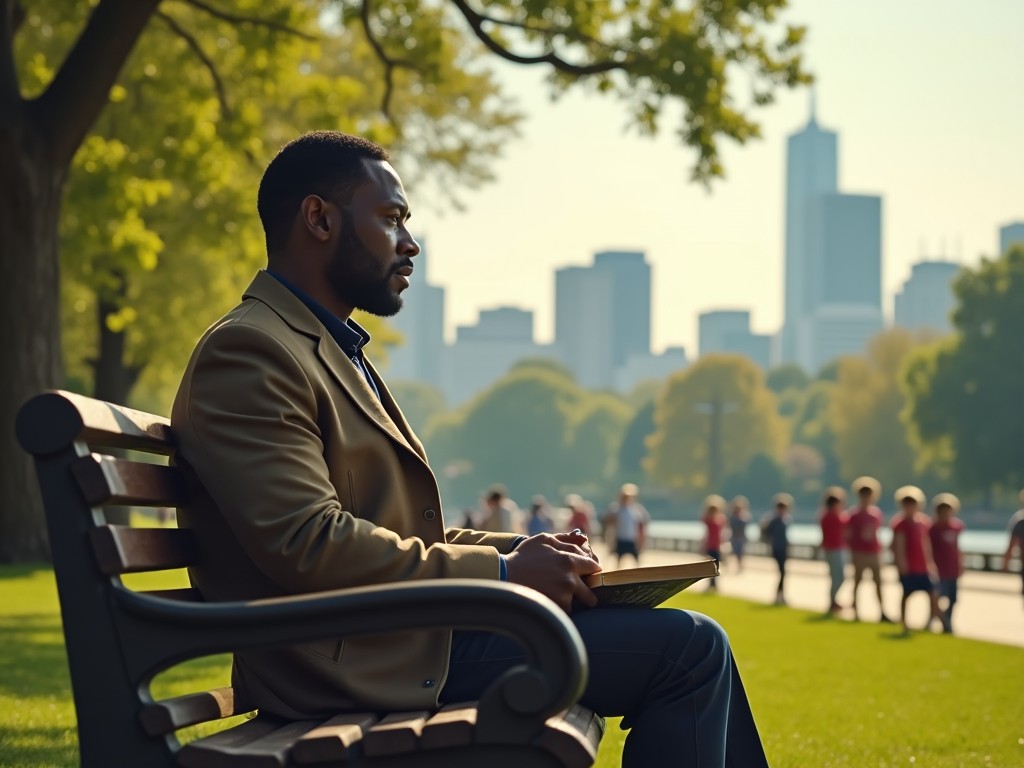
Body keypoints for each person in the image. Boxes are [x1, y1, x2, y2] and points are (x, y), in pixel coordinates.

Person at [170, 131, 769, 766]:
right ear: (318, 218)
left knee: (697, 645)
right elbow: (309, 541)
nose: (411, 242)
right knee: (690, 649)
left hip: (395, 640)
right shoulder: (251, 351)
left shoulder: (317, 345)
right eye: (391, 218)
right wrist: (509, 576)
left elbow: (392, 532)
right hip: (351, 665)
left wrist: (524, 552)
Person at [889, 486, 942, 635]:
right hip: (908, 567)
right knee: (907, 595)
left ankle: (930, 621)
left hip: (923, 566)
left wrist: (930, 563)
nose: (910, 507)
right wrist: (901, 563)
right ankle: (904, 623)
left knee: (933, 594)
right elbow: (897, 546)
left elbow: (926, 544)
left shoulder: (923, 522)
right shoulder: (899, 524)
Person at [845, 476, 893, 623]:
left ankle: (882, 612)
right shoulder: (853, 515)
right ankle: (855, 611)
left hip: (874, 552)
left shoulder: (876, 514)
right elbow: (848, 535)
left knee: (878, 583)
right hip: (859, 553)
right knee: (857, 582)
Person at [928, 492, 965, 633]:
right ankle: (940, 621)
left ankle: (947, 620)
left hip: (952, 568)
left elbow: (957, 547)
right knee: (936, 597)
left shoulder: (956, 527)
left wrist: (960, 564)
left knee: (953, 598)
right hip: (938, 569)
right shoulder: (932, 529)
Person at [603, 483, 651, 568]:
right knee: (619, 560)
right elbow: (607, 522)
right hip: (620, 538)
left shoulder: (637, 509)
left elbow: (642, 526)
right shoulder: (615, 509)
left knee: (636, 560)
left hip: (632, 539)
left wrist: (642, 540)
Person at [818, 486, 849, 614]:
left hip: (832, 549)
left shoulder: (825, 516)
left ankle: (833, 601)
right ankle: (832, 602)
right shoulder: (833, 517)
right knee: (839, 577)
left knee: (836, 577)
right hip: (834, 549)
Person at [761, 493, 793, 606]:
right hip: (777, 548)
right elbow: (765, 533)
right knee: (782, 572)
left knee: (783, 573)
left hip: (783, 548)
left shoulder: (785, 519)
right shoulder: (773, 520)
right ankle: (779, 595)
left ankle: (780, 595)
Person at [1001, 490, 1024, 607]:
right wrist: (1006, 562)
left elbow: (1011, 545)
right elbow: (1012, 544)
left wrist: (1006, 562)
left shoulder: (1020, 520)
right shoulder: (1020, 521)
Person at [701, 495, 727, 591]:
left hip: (717, 545)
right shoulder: (708, 520)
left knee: (716, 565)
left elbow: (722, 533)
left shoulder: (720, 519)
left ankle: (714, 584)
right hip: (710, 545)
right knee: (711, 566)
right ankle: (712, 584)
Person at [727, 496, 751, 573]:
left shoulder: (744, 516)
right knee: (734, 552)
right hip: (734, 537)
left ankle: (740, 566)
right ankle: (732, 565)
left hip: (741, 537)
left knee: (740, 552)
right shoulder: (732, 516)